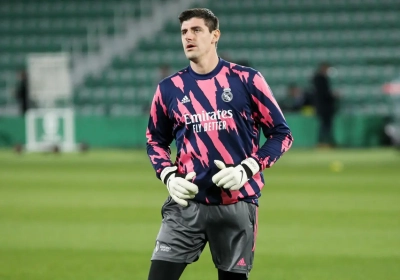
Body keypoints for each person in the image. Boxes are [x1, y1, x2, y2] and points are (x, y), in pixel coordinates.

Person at [146, 8, 293, 280]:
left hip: (236, 206)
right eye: (183, 32)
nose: (188, 37)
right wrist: (168, 176)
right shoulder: (168, 88)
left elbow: (282, 135)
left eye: (196, 30)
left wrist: (246, 169)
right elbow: (155, 140)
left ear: (215, 35)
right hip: (186, 205)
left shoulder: (247, 80)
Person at [312, 62, 338, 147]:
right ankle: (324, 142)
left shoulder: (318, 79)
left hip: (322, 106)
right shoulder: (320, 79)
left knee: (325, 125)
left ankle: (325, 142)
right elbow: (324, 93)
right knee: (325, 125)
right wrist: (333, 95)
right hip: (324, 107)